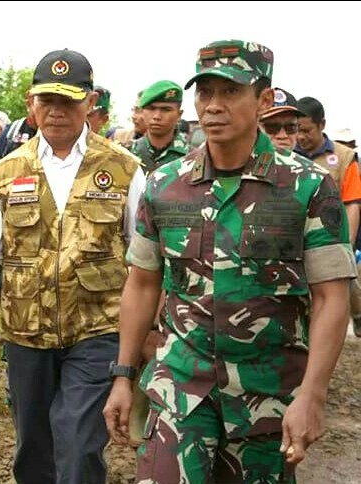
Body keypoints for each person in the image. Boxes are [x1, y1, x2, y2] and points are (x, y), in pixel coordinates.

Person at [103, 39, 356, 483]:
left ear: (262, 100)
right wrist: (123, 376)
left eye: (230, 92)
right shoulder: (165, 185)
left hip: (266, 396)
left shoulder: (307, 186)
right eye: (205, 93)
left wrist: (313, 394)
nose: (213, 106)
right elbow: (142, 284)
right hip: (181, 389)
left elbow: (331, 296)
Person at [0, 48, 146, 484]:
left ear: (91, 103)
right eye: (48, 101)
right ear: (31, 103)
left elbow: (145, 261)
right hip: (26, 336)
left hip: (97, 333)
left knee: (79, 445)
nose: (57, 112)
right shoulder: (6, 172)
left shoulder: (124, 170)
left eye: (69, 101)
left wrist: (146, 335)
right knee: (33, 451)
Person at [295, 96, 361, 337]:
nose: (300, 137)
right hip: (295, 240)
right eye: (297, 129)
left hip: (330, 240)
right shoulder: (288, 155)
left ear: (322, 125)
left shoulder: (343, 158)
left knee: (342, 289)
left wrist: (347, 246)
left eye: (306, 130)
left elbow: (352, 203)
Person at [130, 80, 190, 173]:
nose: (157, 116)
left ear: (179, 115)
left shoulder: (193, 158)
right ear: (142, 112)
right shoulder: (127, 154)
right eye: (151, 109)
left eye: (166, 109)